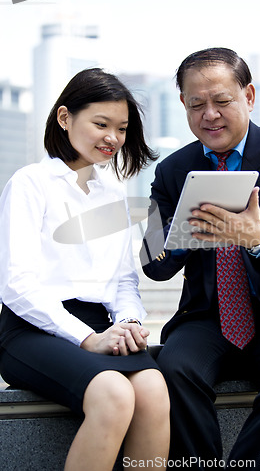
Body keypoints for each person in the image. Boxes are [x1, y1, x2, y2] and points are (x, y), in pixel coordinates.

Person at [140, 48, 260, 470]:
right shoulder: (172, 171)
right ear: (184, 107)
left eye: (221, 101)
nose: (209, 114)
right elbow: (154, 263)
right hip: (209, 317)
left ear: (247, 96)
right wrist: (181, 236)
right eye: (197, 105)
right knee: (173, 369)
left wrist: (257, 236)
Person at [0, 68, 170, 471]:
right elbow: (16, 284)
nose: (113, 137)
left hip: (101, 326)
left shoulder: (113, 193)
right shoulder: (31, 182)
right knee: (113, 393)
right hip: (32, 331)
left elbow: (123, 279)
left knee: (154, 389)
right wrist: (85, 338)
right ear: (64, 118)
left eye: (122, 128)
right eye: (101, 124)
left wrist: (128, 322)